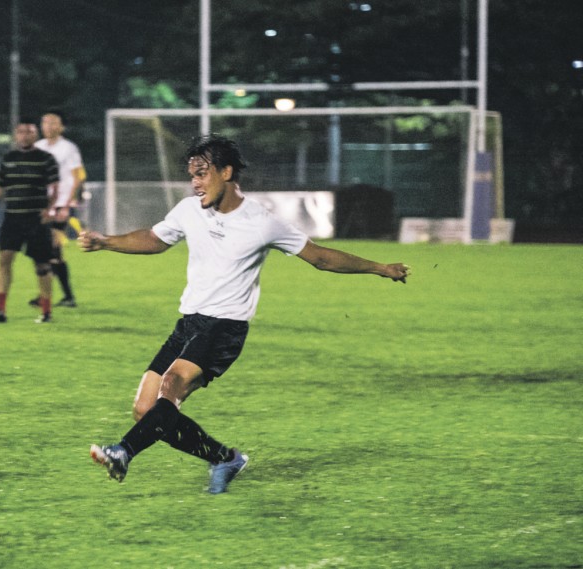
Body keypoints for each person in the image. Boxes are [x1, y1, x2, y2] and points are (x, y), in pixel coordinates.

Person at [81, 134, 409, 494]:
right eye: (191, 174)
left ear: (226, 172)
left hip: (225, 327)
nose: (195, 182)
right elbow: (156, 239)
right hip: (188, 322)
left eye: (202, 173)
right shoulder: (189, 210)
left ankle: (123, 451)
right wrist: (105, 242)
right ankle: (224, 458)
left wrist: (380, 267)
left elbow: (321, 258)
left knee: (170, 386)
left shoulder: (261, 222)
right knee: (146, 410)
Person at [0, 118, 59, 324]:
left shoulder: (46, 159)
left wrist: (50, 210)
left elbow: (55, 187)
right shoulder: (8, 159)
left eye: (30, 132)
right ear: (16, 135)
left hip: (36, 220)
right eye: (21, 132)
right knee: (4, 260)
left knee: (42, 266)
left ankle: (46, 312)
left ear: (36, 135)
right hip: (12, 218)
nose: (25, 135)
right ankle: (0, 309)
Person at [30, 110, 85, 308]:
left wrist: (67, 204)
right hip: (43, 206)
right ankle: (50, 295)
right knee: (43, 251)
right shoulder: (38, 147)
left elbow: (77, 177)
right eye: (45, 122)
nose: (49, 126)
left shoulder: (68, 148)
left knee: (53, 250)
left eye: (53, 123)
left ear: (61, 127)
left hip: (61, 205)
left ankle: (64, 296)